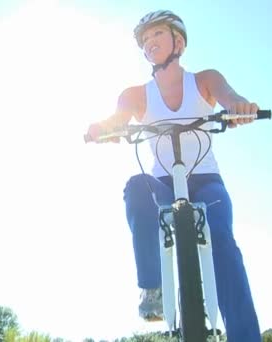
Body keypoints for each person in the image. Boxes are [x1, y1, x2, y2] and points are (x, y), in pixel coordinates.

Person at [86, 10, 261, 341]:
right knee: (137, 188)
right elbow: (118, 118)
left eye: (157, 36)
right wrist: (105, 128)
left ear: (177, 41)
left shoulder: (205, 80)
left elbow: (230, 98)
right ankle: (152, 287)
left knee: (222, 240)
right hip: (162, 183)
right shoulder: (136, 95)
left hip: (206, 180)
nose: (149, 44)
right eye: (145, 40)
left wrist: (241, 107)